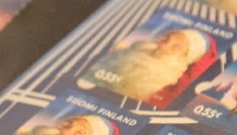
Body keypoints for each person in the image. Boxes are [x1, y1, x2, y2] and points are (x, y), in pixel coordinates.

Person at [78, 27, 212, 105]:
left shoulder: (165, 85)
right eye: (166, 38)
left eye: (176, 46)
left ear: (185, 58)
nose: (164, 45)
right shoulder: (127, 52)